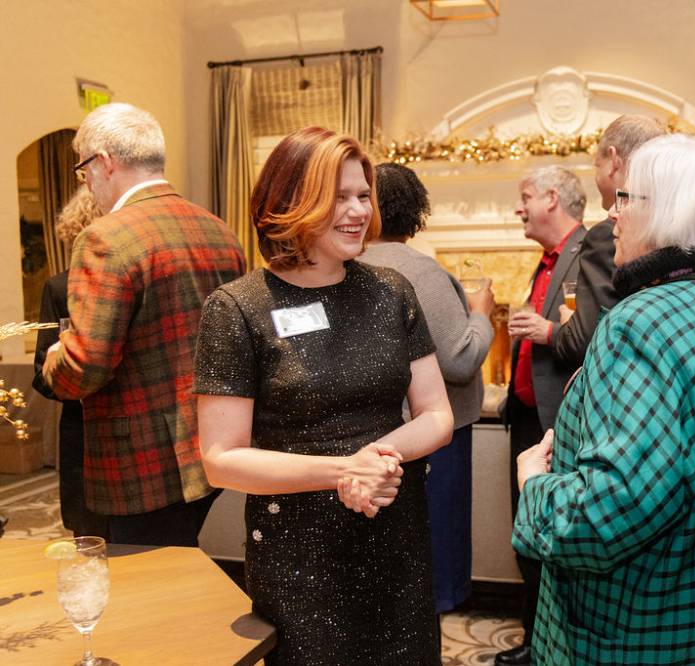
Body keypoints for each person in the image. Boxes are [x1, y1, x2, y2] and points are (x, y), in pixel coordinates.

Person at [193, 128, 454, 665]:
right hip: (300, 557)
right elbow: (221, 460)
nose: (358, 210)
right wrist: (343, 471)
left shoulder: (390, 292)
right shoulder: (237, 308)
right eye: (339, 197)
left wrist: (378, 461)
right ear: (291, 202)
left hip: (395, 539)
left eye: (363, 195)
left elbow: (436, 414)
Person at [513, 134, 695, 665]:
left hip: (627, 631)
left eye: (624, 198)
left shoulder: (645, 322)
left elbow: (604, 516)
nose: (612, 213)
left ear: (666, 211)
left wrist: (534, 487)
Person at [42, 102, 246, 546]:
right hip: (214, 449)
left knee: (149, 595)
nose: (88, 185)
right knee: (200, 577)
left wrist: (55, 357)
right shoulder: (219, 231)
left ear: (104, 163)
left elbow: (85, 367)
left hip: (140, 467)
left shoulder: (105, 237)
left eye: (83, 172)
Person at [359, 162, 495, 617]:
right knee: (433, 559)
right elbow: (459, 361)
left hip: (370, 436)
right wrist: (481, 313)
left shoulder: (343, 265)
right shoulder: (420, 271)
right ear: (415, 210)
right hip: (431, 440)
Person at [499, 166, 587, 666]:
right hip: (528, 418)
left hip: (559, 423)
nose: (519, 207)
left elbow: (587, 333)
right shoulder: (545, 262)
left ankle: (546, 646)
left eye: (526, 197)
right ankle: (535, 641)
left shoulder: (588, 253)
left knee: (551, 534)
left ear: (552, 198)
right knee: (526, 532)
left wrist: (547, 329)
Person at [553, 114, 663, 368]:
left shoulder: (609, 234)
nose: (596, 177)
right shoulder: (670, 225)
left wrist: (566, 325)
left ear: (614, 160)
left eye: (596, 166)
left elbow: (583, 344)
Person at [32, 186, 108, 539]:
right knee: (87, 530)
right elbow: (40, 376)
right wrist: (62, 372)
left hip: (108, 427)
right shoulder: (59, 288)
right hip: (81, 428)